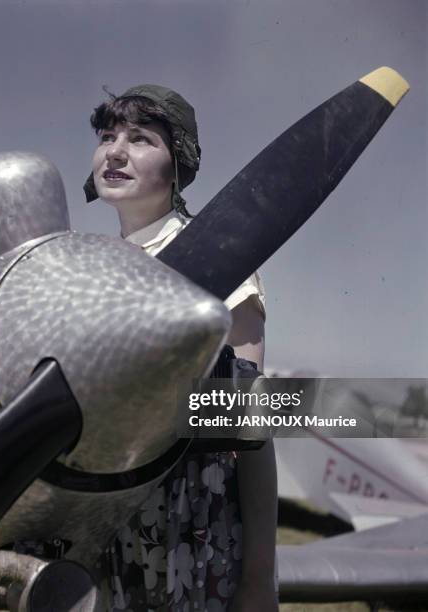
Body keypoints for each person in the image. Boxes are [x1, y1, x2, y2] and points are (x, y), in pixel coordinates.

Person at [84, 85, 278, 611]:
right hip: (90, 519)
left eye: (141, 139)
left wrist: (261, 579)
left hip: (185, 521)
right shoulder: (79, 266)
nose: (115, 152)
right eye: (107, 137)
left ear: (178, 167)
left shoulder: (219, 257)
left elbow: (249, 418)